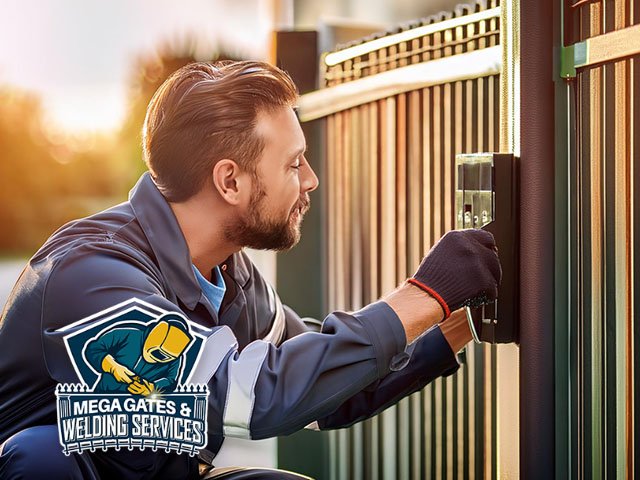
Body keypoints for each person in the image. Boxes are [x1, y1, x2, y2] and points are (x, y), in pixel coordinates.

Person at [0, 61, 501, 479]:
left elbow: (328, 388)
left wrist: (455, 320)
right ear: (230, 181)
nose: (312, 179)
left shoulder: (227, 275)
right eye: (293, 164)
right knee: (41, 458)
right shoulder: (92, 275)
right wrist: (419, 294)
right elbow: (250, 394)